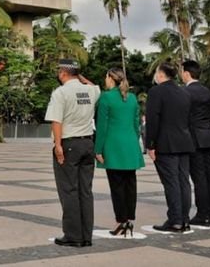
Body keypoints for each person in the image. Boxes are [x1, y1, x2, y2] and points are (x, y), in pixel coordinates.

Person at [44, 59, 101, 248]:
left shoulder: (60, 93)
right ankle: (86, 236)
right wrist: (80, 77)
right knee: (85, 191)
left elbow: (56, 121)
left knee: (69, 190)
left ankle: (73, 235)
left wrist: (58, 145)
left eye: (59, 71)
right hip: (87, 143)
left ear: (63, 73)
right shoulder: (91, 91)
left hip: (69, 144)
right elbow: (95, 87)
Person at [94, 67, 144, 237]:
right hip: (130, 144)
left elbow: (102, 126)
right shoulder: (132, 98)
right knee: (130, 184)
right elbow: (136, 124)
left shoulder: (106, 97)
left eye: (106, 77)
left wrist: (98, 149)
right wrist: (134, 141)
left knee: (117, 186)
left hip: (113, 145)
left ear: (110, 78)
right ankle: (129, 220)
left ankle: (121, 221)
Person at [146, 62, 194, 233]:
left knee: (171, 182)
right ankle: (184, 219)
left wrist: (150, 144)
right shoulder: (184, 92)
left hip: (166, 143)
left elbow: (153, 119)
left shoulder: (156, 91)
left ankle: (175, 220)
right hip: (184, 141)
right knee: (183, 182)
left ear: (160, 74)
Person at [183, 60, 210, 227]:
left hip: (194, 138)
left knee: (199, 177)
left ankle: (203, 214)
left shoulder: (185, 92)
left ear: (186, 73)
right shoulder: (207, 91)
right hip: (209, 136)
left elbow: (184, 117)